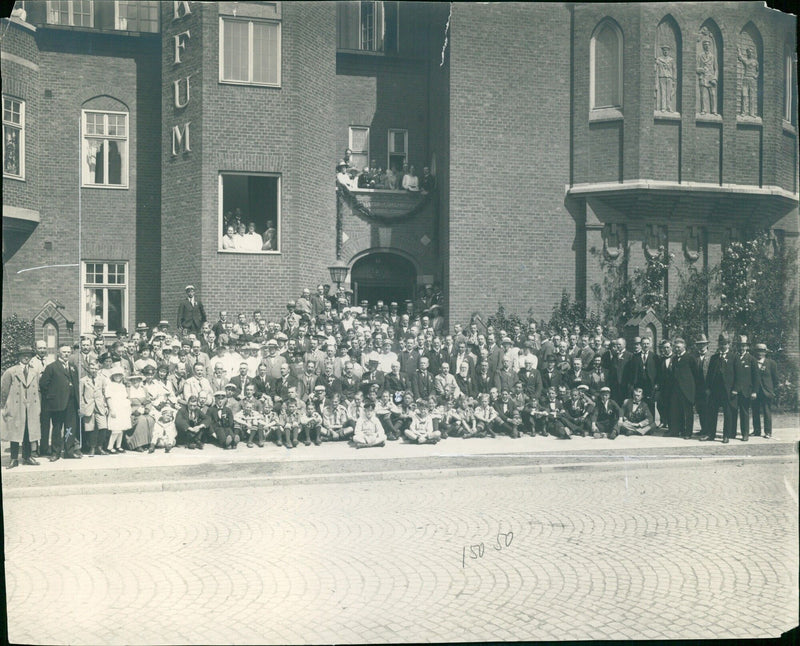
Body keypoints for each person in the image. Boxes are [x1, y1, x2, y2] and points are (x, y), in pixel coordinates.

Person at [1, 346, 42, 468]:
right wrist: (5, 406)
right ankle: (14, 458)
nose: (26, 357)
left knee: (28, 432)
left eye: (28, 355)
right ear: (18, 357)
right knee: (15, 432)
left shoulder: (34, 372)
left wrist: (37, 405)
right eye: (23, 355)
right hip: (16, 406)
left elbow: (37, 389)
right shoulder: (11, 371)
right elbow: (4, 391)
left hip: (30, 407)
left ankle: (27, 456)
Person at [40, 344, 82, 461]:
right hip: (57, 403)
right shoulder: (51, 367)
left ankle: (69, 451)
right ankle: (55, 452)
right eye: (64, 352)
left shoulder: (73, 367)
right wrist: (52, 396)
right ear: (59, 353)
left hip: (71, 403)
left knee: (70, 428)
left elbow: (76, 385)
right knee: (57, 428)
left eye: (68, 352)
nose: (66, 354)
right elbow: (43, 384)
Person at [704, 333, 736, 443]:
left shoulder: (733, 357)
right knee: (712, 412)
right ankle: (711, 434)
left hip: (727, 390)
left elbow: (738, 375)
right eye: (721, 344)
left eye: (725, 344)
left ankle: (726, 435)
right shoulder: (714, 358)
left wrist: (735, 389)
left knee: (728, 413)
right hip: (715, 391)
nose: (723, 346)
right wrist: (708, 387)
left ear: (729, 345)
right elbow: (709, 374)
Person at [79, 360, 108, 456]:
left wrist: (106, 405)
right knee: (90, 428)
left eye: (96, 368)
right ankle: (92, 448)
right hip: (88, 406)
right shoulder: (83, 380)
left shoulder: (102, 379)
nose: (94, 370)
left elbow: (105, 393)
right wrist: (82, 407)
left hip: (100, 406)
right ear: (88, 369)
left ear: (98, 369)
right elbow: (81, 395)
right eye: (92, 368)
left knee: (103, 427)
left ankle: (100, 447)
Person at [732, 335, 757, 442]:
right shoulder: (734, 357)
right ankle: (731, 432)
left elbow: (756, 377)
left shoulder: (752, 359)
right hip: (734, 390)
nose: (742, 348)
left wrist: (754, 391)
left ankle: (745, 434)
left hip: (746, 391)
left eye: (744, 346)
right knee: (732, 411)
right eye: (740, 346)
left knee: (744, 412)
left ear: (747, 347)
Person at [752, 343, 778, 438]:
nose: (760, 353)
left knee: (767, 412)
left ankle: (768, 432)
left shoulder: (771, 363)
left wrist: (771, 390)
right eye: (758, 351)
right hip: (755, 392)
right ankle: (756, 430)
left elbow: (775, 379)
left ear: (765, 352)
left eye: (762, 351)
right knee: (755, 411)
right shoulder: (752, 362)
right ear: (755, 352)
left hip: (766, 392)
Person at [104, 367, 131, 453]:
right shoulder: (110, 385)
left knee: (121, 428)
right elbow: (108, 398)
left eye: (119, 375)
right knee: (115, 429)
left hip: (123, 409)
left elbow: (126, 397)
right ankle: (110, 446)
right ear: (113, 376)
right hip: (115, 408)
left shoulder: (123, 386)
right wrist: (111, 409)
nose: (118, 377)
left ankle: (118, 446)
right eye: (116, 375)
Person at [697, 37, 718, 115]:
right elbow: (696, 68)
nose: (706, 46)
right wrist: (702, 69)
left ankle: (714, 110)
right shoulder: (700, 56)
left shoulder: (712, 57)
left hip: (711, 78)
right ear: (703, 46)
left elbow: (716, 69)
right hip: (703, 77)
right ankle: (704, 110)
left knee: (713, 94)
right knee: (703, 95)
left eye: (708, 45)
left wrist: (715, 78)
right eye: (705, 45)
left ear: (710, 46)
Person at [655, 44, 676, 112]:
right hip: (662, 77)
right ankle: (663, 107)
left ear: (668, 51)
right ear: (662, 51)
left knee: (669, 93)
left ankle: (668, 106)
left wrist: (674, 79)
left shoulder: (671, 60)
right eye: (664, 50)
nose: (665, 52)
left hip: (669, 77)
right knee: (663, 92)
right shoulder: (659, 59)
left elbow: (674, 69)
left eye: (666, 50)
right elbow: (656, 68)